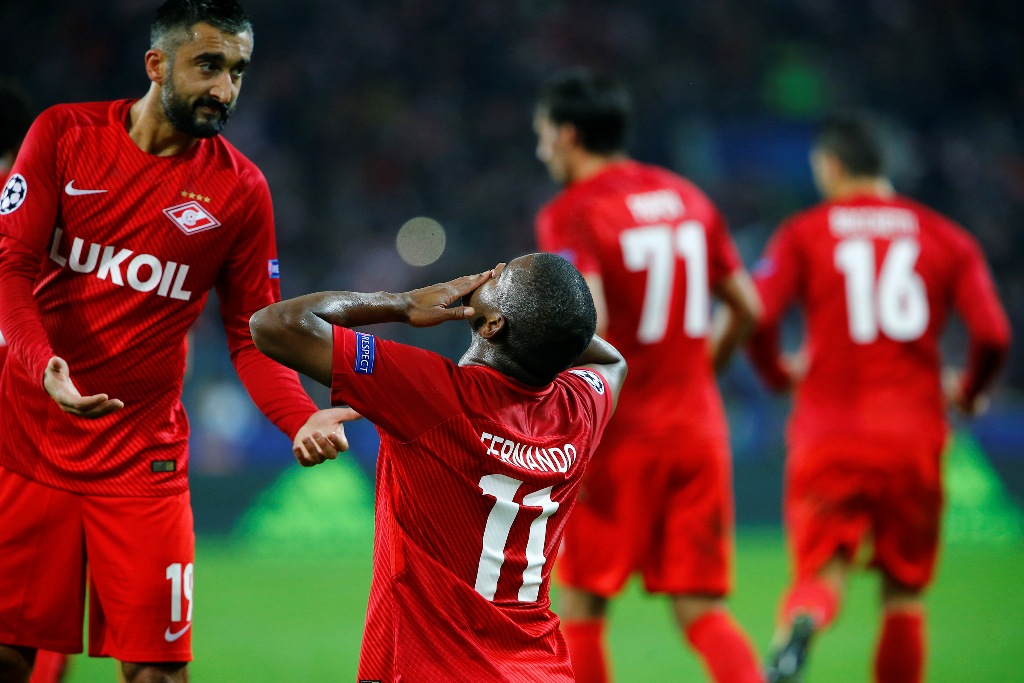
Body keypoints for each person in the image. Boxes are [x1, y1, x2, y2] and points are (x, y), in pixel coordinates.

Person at [0, 1, 350, 682]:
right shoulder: (64, 134)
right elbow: (9, 269)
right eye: (209, 66)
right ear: (156, 64)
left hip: (141, 464)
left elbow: (254, 336)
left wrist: (298, 415)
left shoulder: (240, 191)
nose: (225, 89)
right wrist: (44, 369)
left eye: (238, 71)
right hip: (29, 444)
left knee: (158, 674)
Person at [249, 254, 628, 682]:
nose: (490, 270)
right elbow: (613, 361)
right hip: (540, 669)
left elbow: (275, 324)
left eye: (499, 274)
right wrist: (554, 329)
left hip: (432, 668)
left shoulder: (430, 394)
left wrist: (401, 304)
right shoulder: (581, 410)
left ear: (492, 325)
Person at [744, 114, 1011, 683]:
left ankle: (803, 625)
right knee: (903, 594)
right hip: (911, 435)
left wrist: (777, 375)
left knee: (820, 571)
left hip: (826, 433)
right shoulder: (945, 236)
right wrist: (969, 393)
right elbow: (992, 334)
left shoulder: (803, 232)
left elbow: (758, 313)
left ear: (832, 167)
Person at [532, 69, 764, 683]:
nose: (540, 150)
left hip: (620, 437)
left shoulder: (574, 211)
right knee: (701, 610)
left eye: (543, 135)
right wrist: (702, 371)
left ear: (569, 135)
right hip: (698, 430)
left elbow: (592, 320)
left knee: (580, 606)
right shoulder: (688, 197)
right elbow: (747, 303)